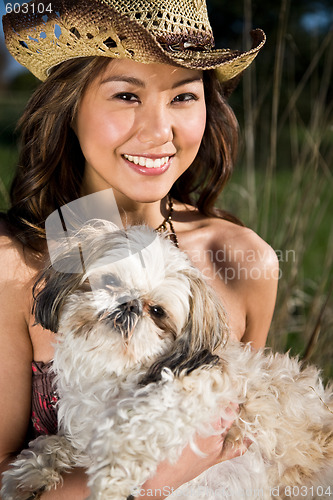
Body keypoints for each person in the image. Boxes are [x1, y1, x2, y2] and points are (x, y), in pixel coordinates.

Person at [0, 0, 279, 498]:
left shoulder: (242, 260)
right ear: (70, 104)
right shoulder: (14, 262)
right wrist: (147, 485)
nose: (158, 132)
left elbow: (255, 450)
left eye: (183, 97)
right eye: (127, 95)